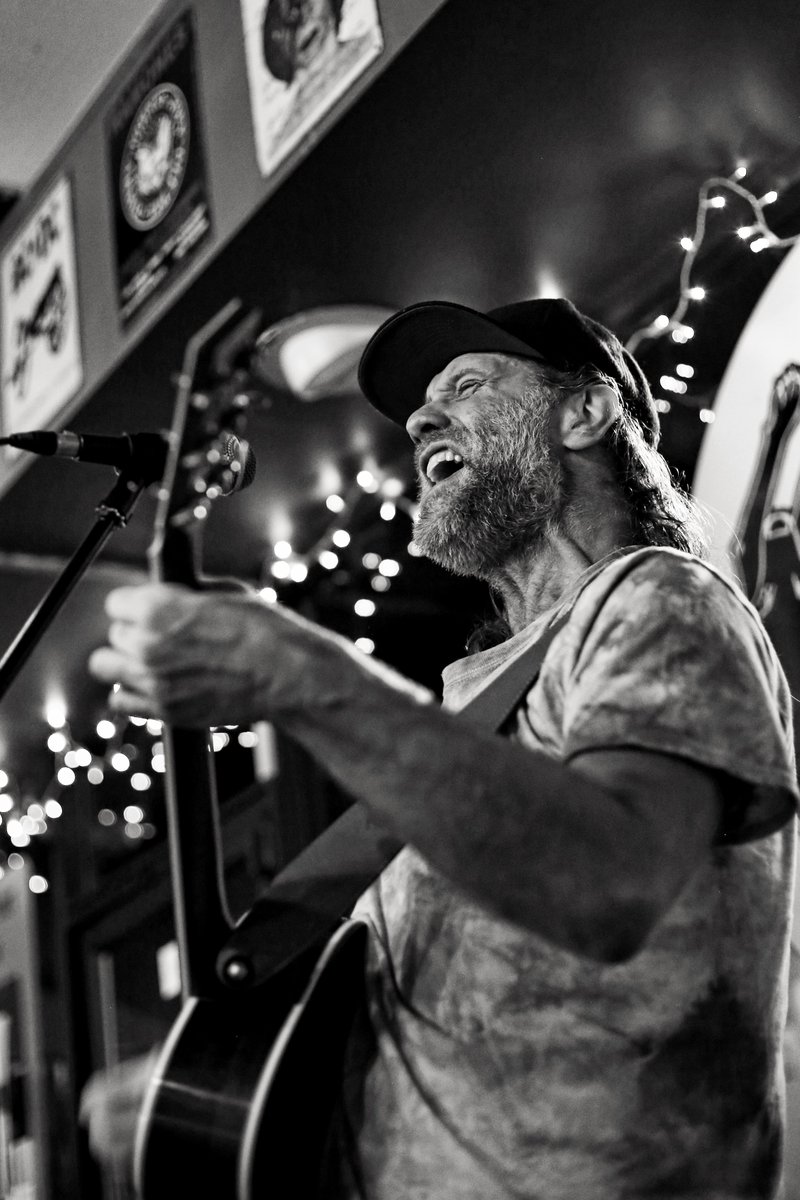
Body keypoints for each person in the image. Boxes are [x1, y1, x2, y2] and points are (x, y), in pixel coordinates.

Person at [86, 298, 798, 1198]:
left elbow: (611, 882)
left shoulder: (660, 599)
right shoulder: (474, 713)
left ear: (586, 412)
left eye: (465, 383)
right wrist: (198, 1090)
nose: (421, 418)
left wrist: (304, 676)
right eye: (422, 404)